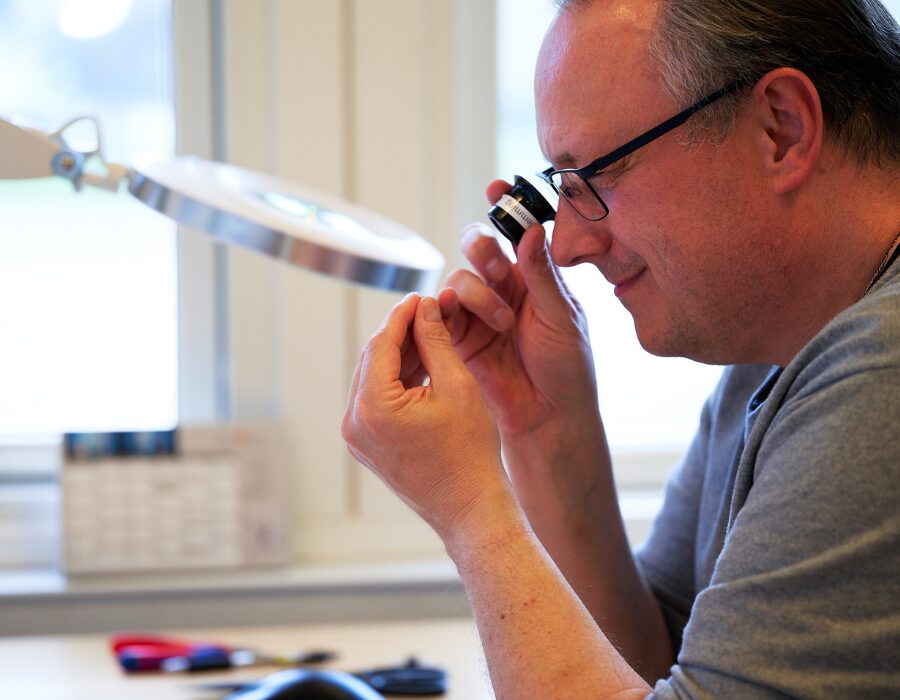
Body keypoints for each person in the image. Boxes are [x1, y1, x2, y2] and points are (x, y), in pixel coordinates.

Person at [342, 0, 900, 696]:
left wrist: (470, 507)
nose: (569, 246)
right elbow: (655, 663)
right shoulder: (781, 344)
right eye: (559, 190)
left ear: (780, 129)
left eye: (598, 176)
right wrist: (544, 425)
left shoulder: (884, 373)